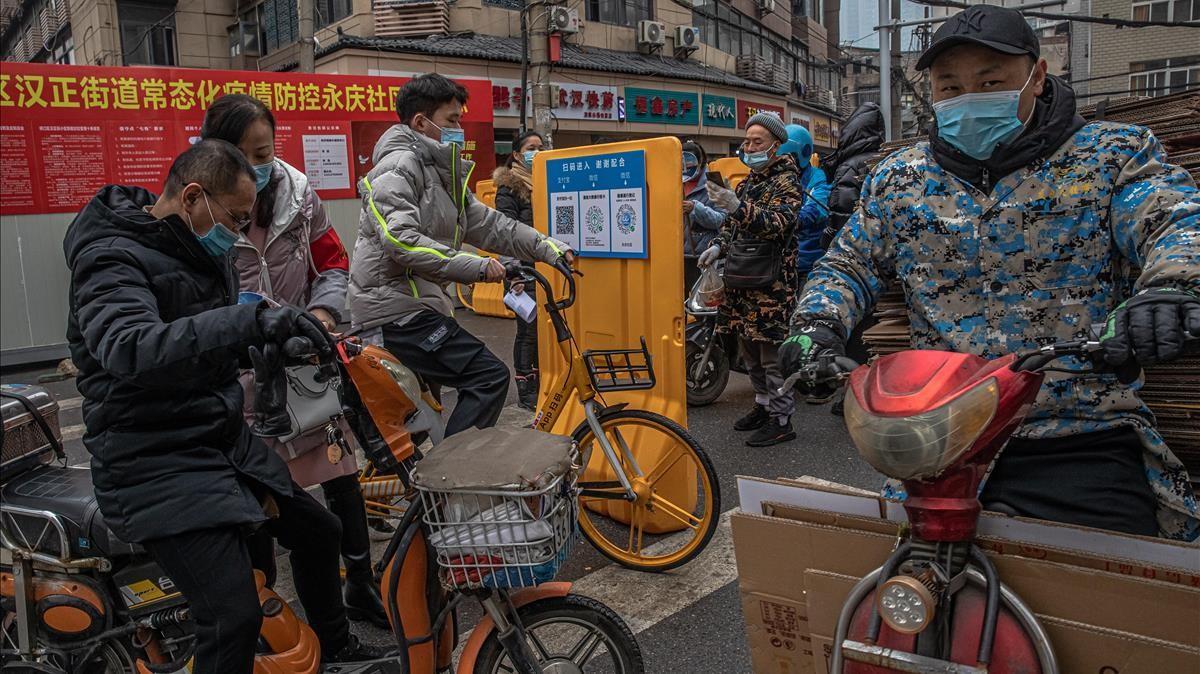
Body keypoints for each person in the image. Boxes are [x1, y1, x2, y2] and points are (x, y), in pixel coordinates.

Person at [780, 4, 1199, 539]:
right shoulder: (898, 181)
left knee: (1101, 600)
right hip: (936, 434)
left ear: (1037, 76)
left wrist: (1170, 289)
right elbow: (848, 262)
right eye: (950, 87)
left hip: (1077, 431)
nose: (968, 98)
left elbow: (1175, 221)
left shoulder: (1111, 157)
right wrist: (815, 324)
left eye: (991, 81)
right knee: (903, 599)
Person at [63, 140, 387, 674]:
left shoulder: (198, 252)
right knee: (231, 613)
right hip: (151, 459)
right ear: (192, 197)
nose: (237, 233)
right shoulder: (110, 257)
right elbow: (128, 345)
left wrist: (278, 342)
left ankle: (335, 650)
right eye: (234, 219)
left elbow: (205, 345)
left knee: (320, 531)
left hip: (217, 442)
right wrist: (248, 321)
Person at [200, 94, 388, 629]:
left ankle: (360, 587)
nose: (259, 167)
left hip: (304, 359)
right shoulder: (205, 206)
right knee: (258, 496)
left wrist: (325, 314)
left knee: (341, 472)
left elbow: (331, 262)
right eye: (247, 154)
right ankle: (267, 612)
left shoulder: (300, 195)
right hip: (239, 374)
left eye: (266, 152)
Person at [349, 74, 573, 437]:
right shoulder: (398, 167)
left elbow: (490, 225)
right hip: (393, 312)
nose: (460, 128)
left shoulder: (438, 171)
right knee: (488, 377)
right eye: (452, 120)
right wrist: (480, 268)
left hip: (419, 307)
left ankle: (431, 479)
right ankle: (451, 482)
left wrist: (548, 247)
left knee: (425, 423)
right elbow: (401, 240)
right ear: (422, 122)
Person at [699, 112, 806, 448]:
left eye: (756, 142)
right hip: (741, 277)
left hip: (771, 283)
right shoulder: (747, 182)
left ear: (775, 145)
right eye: (746, 141)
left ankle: (781, 418)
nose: (748, 147)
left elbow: (779, 224)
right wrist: (717, 246)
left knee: (772, 354)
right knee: (748, 351)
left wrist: (737, 207)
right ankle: (762, 406)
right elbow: (733, 227)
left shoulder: (787, 181)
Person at [493, 129, 545, 411]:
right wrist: (514, 274)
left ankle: (543, 383)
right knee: (528, 332)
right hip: (521, 271)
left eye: (541, 146)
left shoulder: (546, 182)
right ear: (516, 154)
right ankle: (527, 391)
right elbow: (504, 232)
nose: (537, 151)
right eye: (531, 147)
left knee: (542, 331)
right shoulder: (510, 187)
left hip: (543, 268)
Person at [818, 102, 884, 249]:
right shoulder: (885, 161)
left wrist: (827, 239)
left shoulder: (850, 166)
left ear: (850, 131)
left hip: (852, 249)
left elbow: (841, 214)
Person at [777, 124, 830, 293]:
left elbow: (816, 210)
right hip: (779, 263)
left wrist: (784, 220)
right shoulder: (776, 178)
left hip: (808, 261)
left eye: (788, 157)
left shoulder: (817, 178)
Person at [680, 140, 727, 292]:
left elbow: (721, 219)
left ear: (701, 161)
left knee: (702, 304)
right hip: (675, 255)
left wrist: (696, 208)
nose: (686, 168)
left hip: (703, 256)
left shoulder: (714, 182)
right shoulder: (672, 181)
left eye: (690, 163)